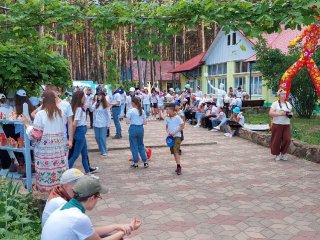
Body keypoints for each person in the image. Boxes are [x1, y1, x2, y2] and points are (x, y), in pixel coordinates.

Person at [42, 175, 142, 240]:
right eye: (98, 197)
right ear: (91, 198)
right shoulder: (79, 218)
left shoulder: (65, 208)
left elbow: (89, 232)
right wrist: (127, 230)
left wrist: (116, 226)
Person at [23, 90, 67, 192]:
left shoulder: (41, 114)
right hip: (58, 150)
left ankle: (46, 195)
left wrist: (27, 124)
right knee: (57, 173)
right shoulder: (61, 113)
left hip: (45, 151)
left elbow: (36, 135)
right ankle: (58, 193)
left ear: (43, 100)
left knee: (46, 174)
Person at [68, 91, 92, 174]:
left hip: (81, 133)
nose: (85, 98)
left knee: (84, 154)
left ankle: (88, 172)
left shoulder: (78, 108)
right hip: (80, 133)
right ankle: (65, 172)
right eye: (83, 96)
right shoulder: (78, 109)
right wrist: (71, 136)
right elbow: (74, 124)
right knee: (75, 155)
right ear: (79, 98)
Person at [269, 89, 293, 161]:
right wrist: (280, 113)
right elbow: (270, 113)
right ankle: (277, 154)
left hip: (286, 124)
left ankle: (283, 153)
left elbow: (290, 113)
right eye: (282, 94)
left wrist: (290, 114)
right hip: (277, 124)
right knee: (276, 140)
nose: (284, 95)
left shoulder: (288, 104)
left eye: (285, 94)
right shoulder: (275, 104)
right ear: (279, 95)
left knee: (287, 139)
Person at [126, 97, 149, 168]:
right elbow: (145, 122)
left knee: (133, 146)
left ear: (133, 103)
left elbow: (127, 122)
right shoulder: (142, 111)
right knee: (141, 145)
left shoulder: (130, 111)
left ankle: (135, 162)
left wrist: (133, 121)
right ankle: (145, 161)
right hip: (140, 128)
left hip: (133, 128)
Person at [165, 103, 184, 175]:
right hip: (171, 137)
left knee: (176, 150)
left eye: (167, 109)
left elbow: (182, 126)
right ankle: (178, 165)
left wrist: (175, 132)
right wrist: (168, 132)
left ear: (172, 110)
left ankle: (179, 166)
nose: (166, 111)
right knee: (173, 151)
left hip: (177, 136)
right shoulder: (166, 118)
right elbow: (166, 127)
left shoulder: (177, 117)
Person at [90, 92, 110, 156]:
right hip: (96, 123)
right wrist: (91, 102)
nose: (98, 97)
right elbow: (91, 110)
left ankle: (104, 151)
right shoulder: (96, 103)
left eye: (100, 96)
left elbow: (108, 115)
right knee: (97, 137)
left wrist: (108, 125)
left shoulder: (106, 104)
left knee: (102, 137)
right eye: (98, 96)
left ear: (103, 96)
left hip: (103, 124)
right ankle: (101, 149)